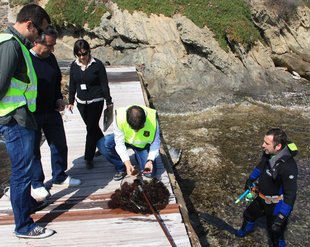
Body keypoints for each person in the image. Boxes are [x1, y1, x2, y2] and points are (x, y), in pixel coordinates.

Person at [0, 4, 55, 238]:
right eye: (39, 31)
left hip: (22, 118)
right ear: (29, 25)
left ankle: (27, 206)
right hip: (15, 119)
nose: (40, 37)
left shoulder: (14, 43)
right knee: (22, 173)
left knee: (23, 169)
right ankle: (24, 225)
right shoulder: (11, 46)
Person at [30, 25, 81, 201]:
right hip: (33, 112)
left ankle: (60, 176)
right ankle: (37, 183)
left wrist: (59, 98)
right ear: (37, 41)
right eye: (49, 46)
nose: (51, 50)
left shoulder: (50, 58)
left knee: (59, 144)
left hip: (52, 109)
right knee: (33, 149)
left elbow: (56, 80)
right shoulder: (26, 59)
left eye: (53, 46)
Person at [235, 128, 298, 247]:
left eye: (267, 143)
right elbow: (261, 166)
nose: (262, 145)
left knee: (275, 233)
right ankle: (244, 232)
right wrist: (251, 179)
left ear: (278, 146)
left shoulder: (289, 167)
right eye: (264, 141)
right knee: (248, 215)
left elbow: (291, 195)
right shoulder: (268, 153)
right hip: (260, 197)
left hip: (275, 205)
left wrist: (281, 217)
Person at [68, 39, 113, 169]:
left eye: (84, 54)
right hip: (81, 102)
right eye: (79, 55)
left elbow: (104, 84)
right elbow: (72, 84)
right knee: (92, 127)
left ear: (89, 51)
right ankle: (104, 145)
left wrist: (108, 101)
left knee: (90, 128)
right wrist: (71, 101)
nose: (82, 57)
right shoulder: (74, 65)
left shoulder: (97, 65)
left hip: (96, 100)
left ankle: (88, 157)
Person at [97, 105, 161, 181]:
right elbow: (119, 143)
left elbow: (156, 143)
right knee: (102, 144)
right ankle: (121, 167)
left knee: (150, 172)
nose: (136, 132)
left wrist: (150, 160)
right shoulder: (119, 118)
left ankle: (139, 156)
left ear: (144, 122)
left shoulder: (153, 121)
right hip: (125, 140)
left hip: (142, 146)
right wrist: (127, 163)